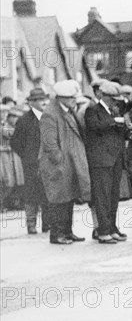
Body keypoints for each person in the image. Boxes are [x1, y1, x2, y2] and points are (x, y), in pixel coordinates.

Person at [39, 80, 91, 245]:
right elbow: (49, 143)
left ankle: (67, 232)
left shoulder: (66, 111)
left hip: (67, 164)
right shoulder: (50, 114)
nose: (75, 100)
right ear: (61, 97)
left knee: (68, 198)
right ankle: (57, 234)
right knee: (57, 201)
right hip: (57, 165)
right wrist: (59, 161)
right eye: (71, 98)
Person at [85, 81, 131, 244]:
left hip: (115, 158)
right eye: (112, 98)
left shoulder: (115, 110)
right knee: (102, 196)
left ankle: (112, 227)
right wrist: (114, 122)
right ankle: (103, 230)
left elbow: (117, 133)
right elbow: (94, 126)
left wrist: (127, 130)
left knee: (113, 195)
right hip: (101, 160)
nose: (115, 101)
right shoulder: (92, 110)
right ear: (103, 96)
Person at [10, 88, 50, 234]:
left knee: (48, 193)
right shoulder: (24, 120)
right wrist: (27, 157)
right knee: (31, 193)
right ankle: (31, 224)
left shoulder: (49, 117)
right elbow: (15, 142)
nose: (44, 102)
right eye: (40, 100)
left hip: (47, 162)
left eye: (44, 99)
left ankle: (47, 224)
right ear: (31, 103)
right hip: (31, 164)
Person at [1, 107, 25, 211]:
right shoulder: (5, 127)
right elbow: (11, 135)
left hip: (14, 155)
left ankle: (15, 202)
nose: (16, 119)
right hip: (5, 156)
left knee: (18, 181)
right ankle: (3, 202)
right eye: (14, 116)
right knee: (9, 181)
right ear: (9, 117)